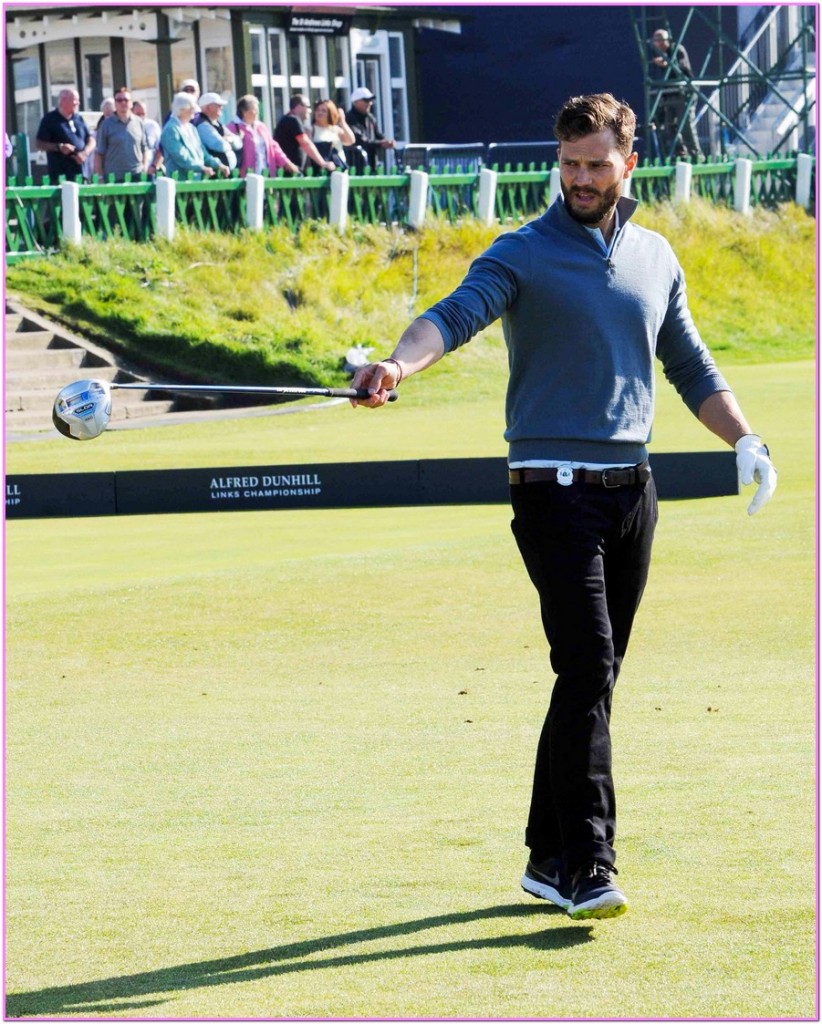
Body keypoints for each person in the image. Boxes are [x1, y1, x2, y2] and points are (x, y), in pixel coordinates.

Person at [350, 93, 776, 921]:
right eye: (568, 164)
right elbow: (452, 316)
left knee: (594, 677)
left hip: (632, 493)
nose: (579, 178)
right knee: (586, 666)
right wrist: (398, 365)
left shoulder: (656, 258)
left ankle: (546, 858)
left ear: (628, 164)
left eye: (594, 164)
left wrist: (745, 440)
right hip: (552, 491)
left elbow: (688, 363)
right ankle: (588, 861)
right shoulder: (524, 251)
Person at [650, 29, 702, 161]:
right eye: (656, 41)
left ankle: (696, 154)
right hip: (669, 94)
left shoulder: (677, 50)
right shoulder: (658, 55)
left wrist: (668, 64)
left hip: (683, 92)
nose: (659, 44)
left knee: (686, 126)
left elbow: (682, 68)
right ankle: (680, 153)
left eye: (661, 41)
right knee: (669, 126)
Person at [228, 94, 301, 177]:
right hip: (246, 176)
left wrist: (286, 163)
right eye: (255, 109)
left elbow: (273, 147)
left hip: (266, 173)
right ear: (244, 112)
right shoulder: (233, 127)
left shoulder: (261, 127)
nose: (258, 112)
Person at [159, 92, 228, 179]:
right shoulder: (170, 130)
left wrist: (218, 165)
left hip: (197, 180)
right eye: (191, 107)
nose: (194, 110)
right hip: (180, 181)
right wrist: (201, 168)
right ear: (182, 109)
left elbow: (203, 152)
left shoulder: (192, 128)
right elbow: (181, 156)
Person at [35, 89, 95, 181]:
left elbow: (91, 140)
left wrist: (85, 153)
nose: (78, 103)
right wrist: (59, 147)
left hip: (81, 174)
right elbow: (39, 144)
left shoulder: (78, 118)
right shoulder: (50, 119)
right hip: (61, 176)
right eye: (75, 100)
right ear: (63, 100)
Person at [93, 87, 148, 180]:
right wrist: (100, 177)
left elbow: (145, 149)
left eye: (126, 100)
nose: (123, 103)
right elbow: (99, 154)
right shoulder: (106, 124)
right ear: (115, 103)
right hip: (114, 177)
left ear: (131, 103)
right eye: (119, 100)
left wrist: (145, 167)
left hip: (136, 175)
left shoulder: (139, 122)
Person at [274, 94, 336, 174]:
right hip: (290, 171)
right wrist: (323, 163)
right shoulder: (293, 120)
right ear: (299, 106)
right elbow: (305, 143)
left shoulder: (288, 119)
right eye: (308, 107)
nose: (310, 111)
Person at [345, 86, 395, 171]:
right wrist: (381, 143)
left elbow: (379, 135)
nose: (369, 103)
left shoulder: (370, 118)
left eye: (370, 101)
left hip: (371, 161)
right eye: (366, 100)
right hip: (355, 163)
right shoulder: (349, 118)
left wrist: (388, 142)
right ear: (355, 102)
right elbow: (359, 139)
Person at [195, 92, 243, 171]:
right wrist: (229, 140)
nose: (221, 107)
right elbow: (220, 145)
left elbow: (238, 143)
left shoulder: (218, 123)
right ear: (208, 107)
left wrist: (228, 139)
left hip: (225, 171)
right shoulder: (202, 124)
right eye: (218, 105)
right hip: (214, 171)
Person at [312, 98, 355, 169]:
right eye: (318, 110)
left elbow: (350, 141)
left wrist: (343, 122)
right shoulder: (311, 129)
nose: (320, 113)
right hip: (321, 168)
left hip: (339, 167)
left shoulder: (335, 129)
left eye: (323, 111)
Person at [132, 99, 162, 173]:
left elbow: (161, 149)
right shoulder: (127, 127)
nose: (141, 117)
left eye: (143, 114)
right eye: (138, 114)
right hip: (133, 170)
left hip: (150, 169)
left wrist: (154, 166)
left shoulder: (152, 126)